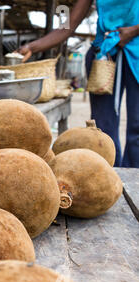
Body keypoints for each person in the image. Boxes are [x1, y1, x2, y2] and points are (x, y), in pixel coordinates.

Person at [18, 0, 139, 168]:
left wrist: (134, 30)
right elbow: (67, 26)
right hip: (103, 53)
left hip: (136, 51)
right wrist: (32, 47)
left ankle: (135, 179)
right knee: (103, 127)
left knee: (137, 125)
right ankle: (109, 174)